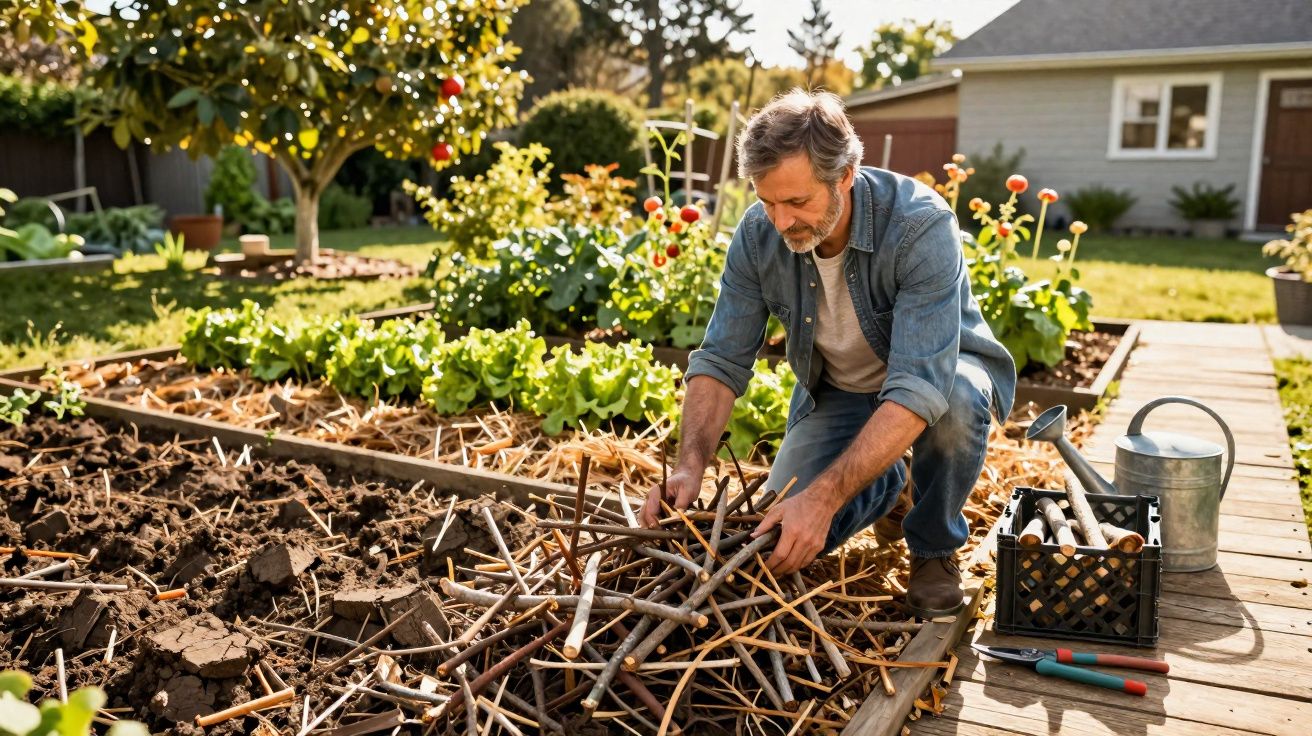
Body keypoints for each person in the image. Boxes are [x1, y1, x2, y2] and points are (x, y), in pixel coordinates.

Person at [639, 89, 1016, 618]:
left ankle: (932, 547)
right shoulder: (757, 234)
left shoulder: (920, 225)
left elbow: (918, 386)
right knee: (775, 542)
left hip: (936, 378)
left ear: (846, 175)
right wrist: (689, 465)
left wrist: (824, 496)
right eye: (768, 201)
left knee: (952, 406)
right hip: (841, 389)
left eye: (797, 202)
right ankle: (890, 480)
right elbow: (721, 359)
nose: (781, 221)